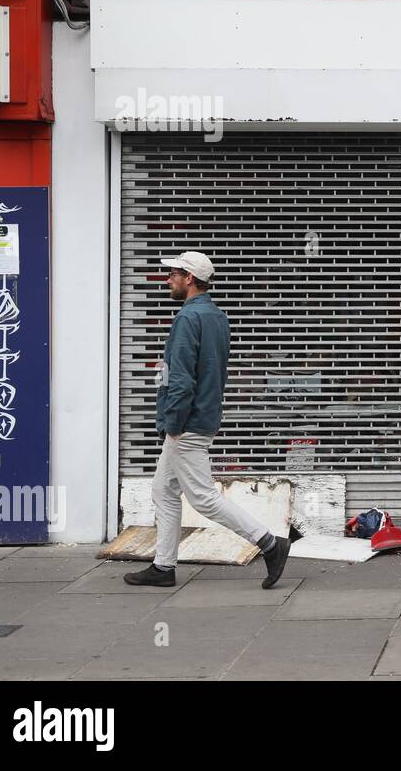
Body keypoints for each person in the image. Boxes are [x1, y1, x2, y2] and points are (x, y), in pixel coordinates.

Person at [125, 251, 290, 589]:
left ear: (190, 278)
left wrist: (173, 423)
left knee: (202, 497)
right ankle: (163, 567)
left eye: (173, 273)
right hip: (203, 415)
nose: (167, 279)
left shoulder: (188, 318)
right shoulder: (216, 316)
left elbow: (182, 379)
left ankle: (270, 543)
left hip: (187, 422)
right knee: (164, 490)